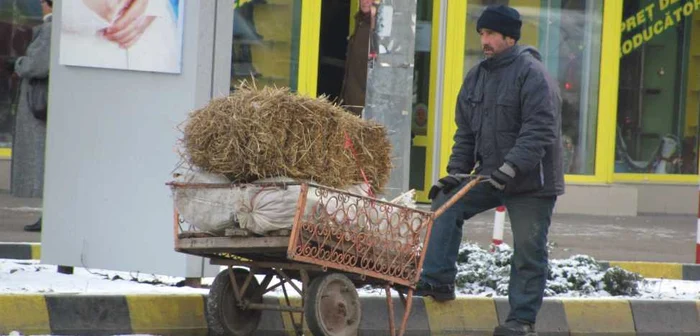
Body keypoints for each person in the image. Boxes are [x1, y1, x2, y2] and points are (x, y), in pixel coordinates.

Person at [416, 5, 564, 336]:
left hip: (531, 183)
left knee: (528, 251)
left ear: (509, 37)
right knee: (445, 202)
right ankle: (438, 280)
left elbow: (539, 129)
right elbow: (466, 131)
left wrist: (511, 167)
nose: (484, 40)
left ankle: (521, 320)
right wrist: (456, 172)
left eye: (491, 34)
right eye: (481, 33)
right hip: (492, 175)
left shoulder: (532, 74)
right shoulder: (477, 76)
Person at [3, 0, 54, 232]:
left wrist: (18, 63)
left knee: (45, 162)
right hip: (43, 104)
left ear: (47, 4)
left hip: (39, 106)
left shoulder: (51, 28)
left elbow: (37, 66)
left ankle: (50, 214)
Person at [339, 0, 376, 116]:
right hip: (351, 101)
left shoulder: (378, 29)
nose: (365, 1)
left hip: (364, 106)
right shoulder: (360, 22)